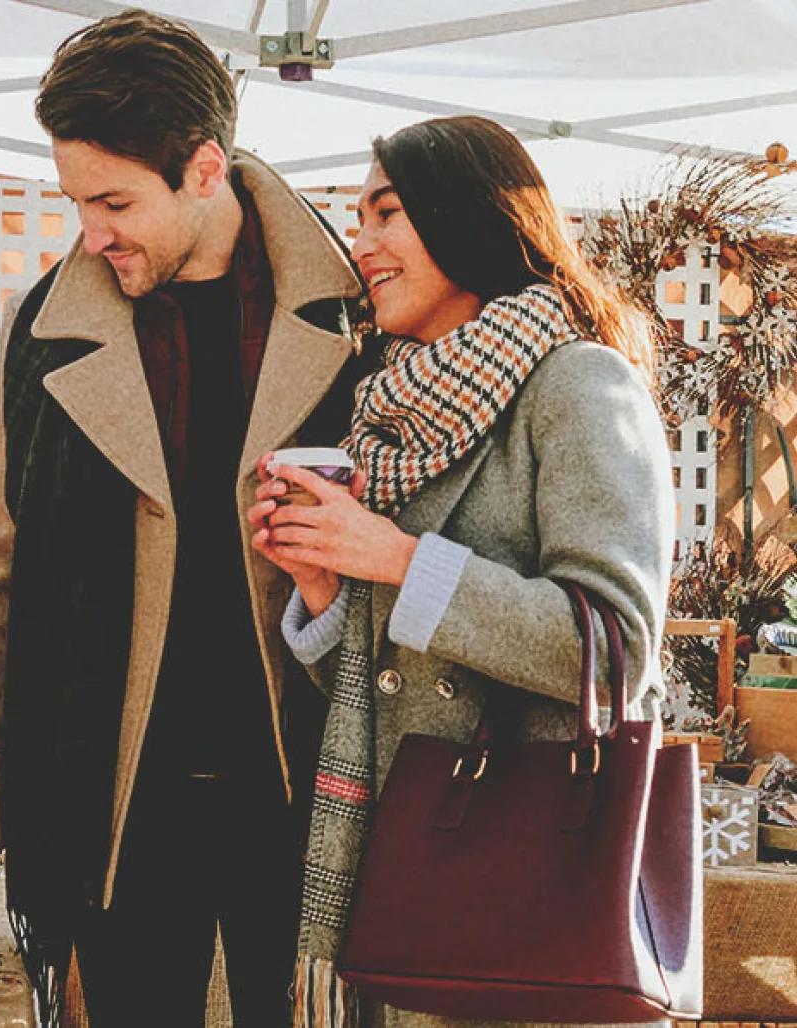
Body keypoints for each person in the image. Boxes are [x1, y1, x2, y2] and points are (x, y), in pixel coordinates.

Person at [0, 9, 377, 1025]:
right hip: (106, 806)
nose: (92, 232)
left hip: (310, 801)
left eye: (114, 201)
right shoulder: (46, 328)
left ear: (206, 170)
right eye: (76, 201)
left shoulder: (359, 320)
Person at [251, 115, 675, 1028]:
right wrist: (327, 587)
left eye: (386, 213)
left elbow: (615, 648)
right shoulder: (397, 407)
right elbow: (394, 684)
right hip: (401, 864)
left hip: (518, 882)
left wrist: (396, 559)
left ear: (463, 217)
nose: (360, 245)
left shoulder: (579, 383)